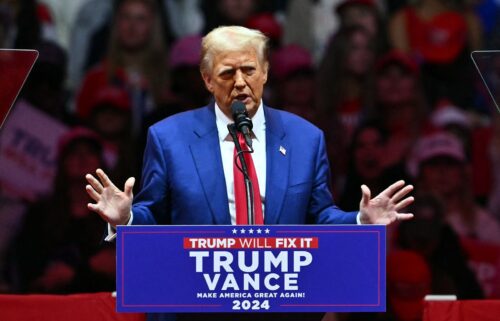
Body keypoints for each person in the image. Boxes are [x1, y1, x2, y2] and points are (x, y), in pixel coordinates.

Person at [84, 26, 414, 320]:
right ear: (207, 78)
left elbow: (320, 215)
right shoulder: (169, 138)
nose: (240, 82)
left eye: (249, 70)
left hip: (282, 306)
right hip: (196, 307)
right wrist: (124, 220)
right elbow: (154, 215)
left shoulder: (305, 138)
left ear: (266, 72)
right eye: (228, 73)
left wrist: (359, 223)